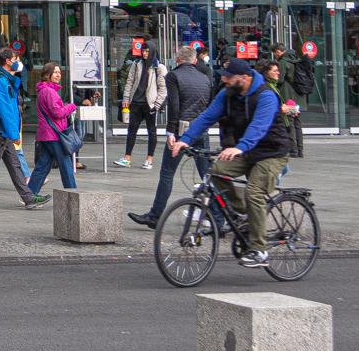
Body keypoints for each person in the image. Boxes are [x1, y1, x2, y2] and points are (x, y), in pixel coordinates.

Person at [169, 57, 290, 268]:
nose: (224, 80)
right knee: (215, 171)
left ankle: (259, 250)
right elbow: (207, 117)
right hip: (246, 151)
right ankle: (242, 211)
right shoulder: (228, 94)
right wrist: (184, 140)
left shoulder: (266, 96)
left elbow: (259, 127)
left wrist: (239, 147)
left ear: (244, 77)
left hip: (271, 153)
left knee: (254, 192)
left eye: (228, 77)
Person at [129, 46, 216, 228]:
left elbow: (174, 106)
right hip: (201, 130)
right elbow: (209, 106)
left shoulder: (174, 76)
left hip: (181, 132)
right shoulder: (205, 78)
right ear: (194, 60)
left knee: (167, 173)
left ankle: (155, 216)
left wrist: (171, 132)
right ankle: (219, 215)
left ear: (177, 60)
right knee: (207, 175)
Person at [0, 48, 49, 211]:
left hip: (2, 129)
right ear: (7, 61)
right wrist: (14, 134)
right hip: (0, 129)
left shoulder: (5, 79)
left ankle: (28, 197)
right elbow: (4, 110)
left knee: (14, 163)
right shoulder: (0, 81)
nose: (18, 61)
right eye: (15, 58)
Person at [26, 62, 78, 198]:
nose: (58, 75)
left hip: (46, 134)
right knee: (66, 164)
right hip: (54, 134)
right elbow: (57, 113)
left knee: (43, 165)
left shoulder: (45, 90)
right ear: (46, 75)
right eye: (55, 72)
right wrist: (71, 107)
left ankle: (29, 195)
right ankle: (73, 195)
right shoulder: (49, 91)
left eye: (59, 72)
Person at [119, 40, 167, 168]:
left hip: (150, 104)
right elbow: (129, 82)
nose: (145, 53)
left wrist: (157, 105)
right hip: (136, 102)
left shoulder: (159, 67)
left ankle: (149, 160)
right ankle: (127, 158)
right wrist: (126, 99)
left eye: (147, 51)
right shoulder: (137, 64)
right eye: (143, 50)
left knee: (151, 131)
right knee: (131, 130)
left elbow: (163, 89)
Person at [259, 58, 306, 158]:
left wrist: (290, 109)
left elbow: (279, 106)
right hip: (271, 132)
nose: (278, 73)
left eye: (278, 70)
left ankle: (295, 150)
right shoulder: (267, 87)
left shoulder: (272, 86)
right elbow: (274, 108)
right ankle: (296, 150)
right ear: (266, 73)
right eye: (275, 71)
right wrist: (287, 109)